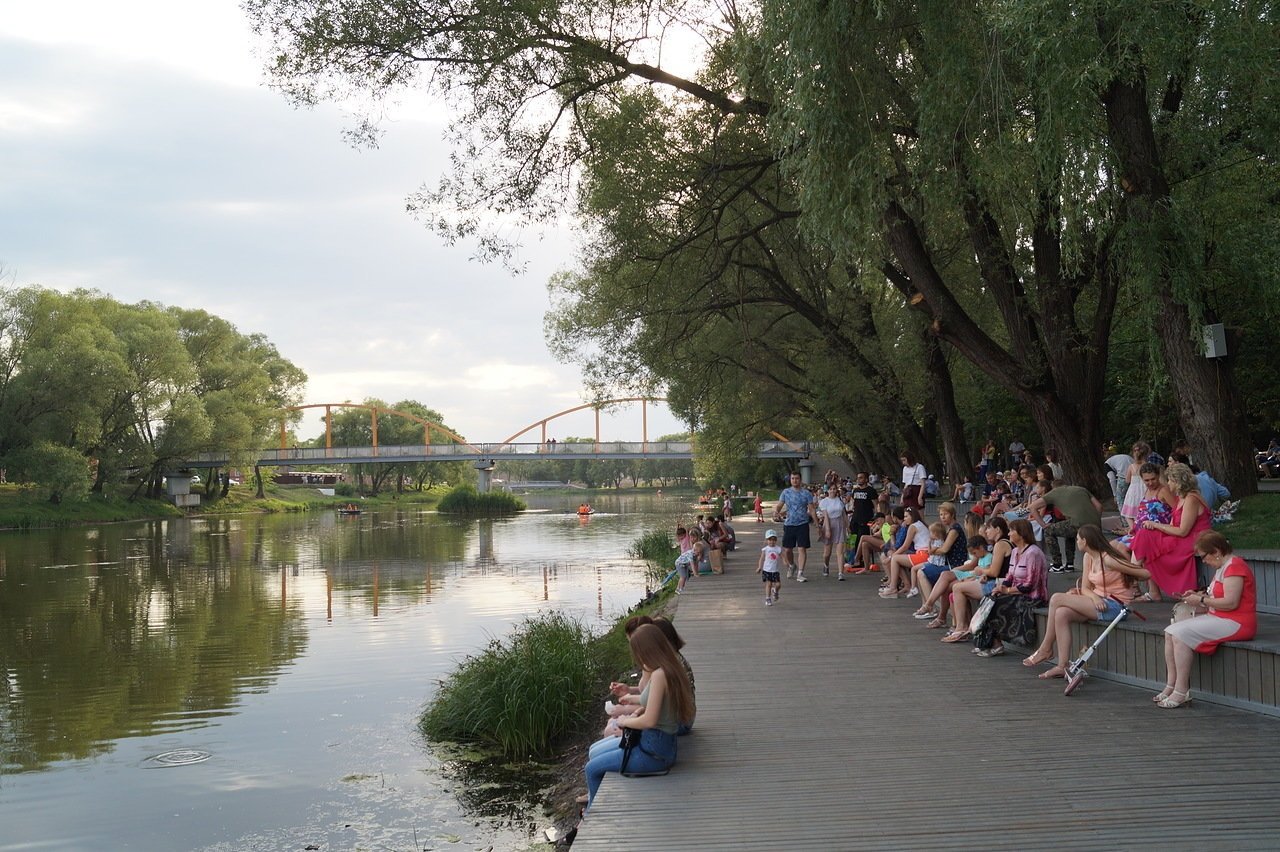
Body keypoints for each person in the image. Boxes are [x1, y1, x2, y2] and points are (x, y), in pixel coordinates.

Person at [584, 625, 694, 808]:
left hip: (653, 752)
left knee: (592, 768)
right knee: (594, 752)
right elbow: (656, 706)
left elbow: (650, 720)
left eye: (639, 655)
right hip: (658, 746)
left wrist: (625, 721)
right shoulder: (667, 670)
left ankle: (589, 817)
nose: (639, 660)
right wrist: (635, 710)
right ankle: (591, 809)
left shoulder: (660, 675)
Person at [1022, 525, 1150, 678]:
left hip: (1116, 606)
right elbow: (1085, 588)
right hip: (1098, 601)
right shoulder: (1088, 557)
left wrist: (1131, 577)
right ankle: (1062, 665)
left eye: (1077, 539)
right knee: (1062, 613)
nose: (1076, 542)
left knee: (1056, 598)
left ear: (1085, 541)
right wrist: (1095, 597)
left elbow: (1145, 573)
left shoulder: (1109, 560)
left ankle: (1046, 649)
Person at [1156, 531, 1257, 708]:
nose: (1203, 561)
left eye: (1204, 556)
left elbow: (1231, 603)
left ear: (1216, 551)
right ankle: (1171, 685)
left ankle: (1181, 690)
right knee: (1169, 631)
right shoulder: (1222, 568)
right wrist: (1196, 595)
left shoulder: (1235, 567)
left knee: (1179, 634)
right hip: (1220, 617)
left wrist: (1200, 600)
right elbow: (1216, 597)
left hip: (1237, 622)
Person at [1130, 463, 1210, 600]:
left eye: (1169, 480)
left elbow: (1183, 531)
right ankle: (1135, 573)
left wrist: (1155, 525)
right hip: (1181, 537)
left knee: (1147, 541)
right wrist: (1154, 528)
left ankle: (1132, 574)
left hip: (1192, 539)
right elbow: (1173, 525)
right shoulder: (1181, 498)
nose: (1167, 483)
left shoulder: (1191, 499)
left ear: (1177, 481)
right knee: (1145, 535)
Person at [971, 519, 1049, 657]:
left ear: (1022, 533)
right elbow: (1010, 576)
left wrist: (1007, 591)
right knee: (990, 599)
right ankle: (989, 642)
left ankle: (995, 643)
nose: (1009, 533)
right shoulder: (1015, 552)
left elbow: (1030, 584)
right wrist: (1001, 587)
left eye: (1012, 531)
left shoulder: (1033, 553)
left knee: (997, 604)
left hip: (1033, 597)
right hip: (1017, 592)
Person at [943, 517, 1013, 642]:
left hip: (999, 584)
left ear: (997, 529)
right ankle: (963, 625)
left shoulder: (1001, 544)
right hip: (996, 581)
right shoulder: (1001, 543)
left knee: (957, 588)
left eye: (989, 529)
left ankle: (960, 627)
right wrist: (984, 574)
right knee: (958, 587)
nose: (986, 532)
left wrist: (980, 571)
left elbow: (995, 571)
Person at [1029, 482, 1102, 572]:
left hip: (1077, 523)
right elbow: (1099, 506)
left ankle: (1057, 565)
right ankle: (1069, 564)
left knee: (1048, 531)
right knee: (1068, 530)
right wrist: (1096, 520)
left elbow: (1032, 507)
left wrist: (1043, 525)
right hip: (1095, 524)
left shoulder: (1055, 492)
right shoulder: (1081, 489)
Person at [773, 472, 816, 581]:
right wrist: (776, 511)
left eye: (797, 478)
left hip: (802, 523)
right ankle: (792, 565)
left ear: (800, 480)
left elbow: (811, 509)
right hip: (789, 524)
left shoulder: (806, 493)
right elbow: (780, 504)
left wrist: (817, 523)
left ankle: (800, 573)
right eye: (793, 478)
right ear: (790, 480)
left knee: (802, 548)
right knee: (787, 550)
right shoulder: (786, 492)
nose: (795, 480)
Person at [880, 505, 930, 598]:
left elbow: (904, 546)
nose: (905, 519)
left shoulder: (913, 526)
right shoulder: (919, 524)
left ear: (913, 516)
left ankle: (893, 588)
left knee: (895, 558)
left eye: (907, 516)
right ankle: (902, 585)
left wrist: (890, 557)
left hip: (923, 555)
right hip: (924, 554)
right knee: (898, 558)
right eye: (904, 516)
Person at [817, 483, 848, 578]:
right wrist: (827, 530)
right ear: (828, 490)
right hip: (829, 524)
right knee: (827, 552)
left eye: (834, 489)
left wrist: (848, 526)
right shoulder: (824, 502)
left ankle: (840, 572)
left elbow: (843, 514)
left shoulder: (839, 500)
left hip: (840, 524)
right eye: (831, 489)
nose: (833, 491)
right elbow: (825, 516)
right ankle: (826, 565)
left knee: (840, 551)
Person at [757, 530, 783, 605]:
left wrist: (785, 562)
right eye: (770, 540)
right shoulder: (765, 549)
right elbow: (761, 558)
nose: (772, 542)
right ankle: (768, 598)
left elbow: (782, 556)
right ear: (766, 540)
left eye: (774, 540)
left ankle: (775, 591)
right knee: (769, 584)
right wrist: (759, 567)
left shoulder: (778, 549)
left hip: (775, 570)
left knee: (778, 584)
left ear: (776, 540)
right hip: (767, 570)